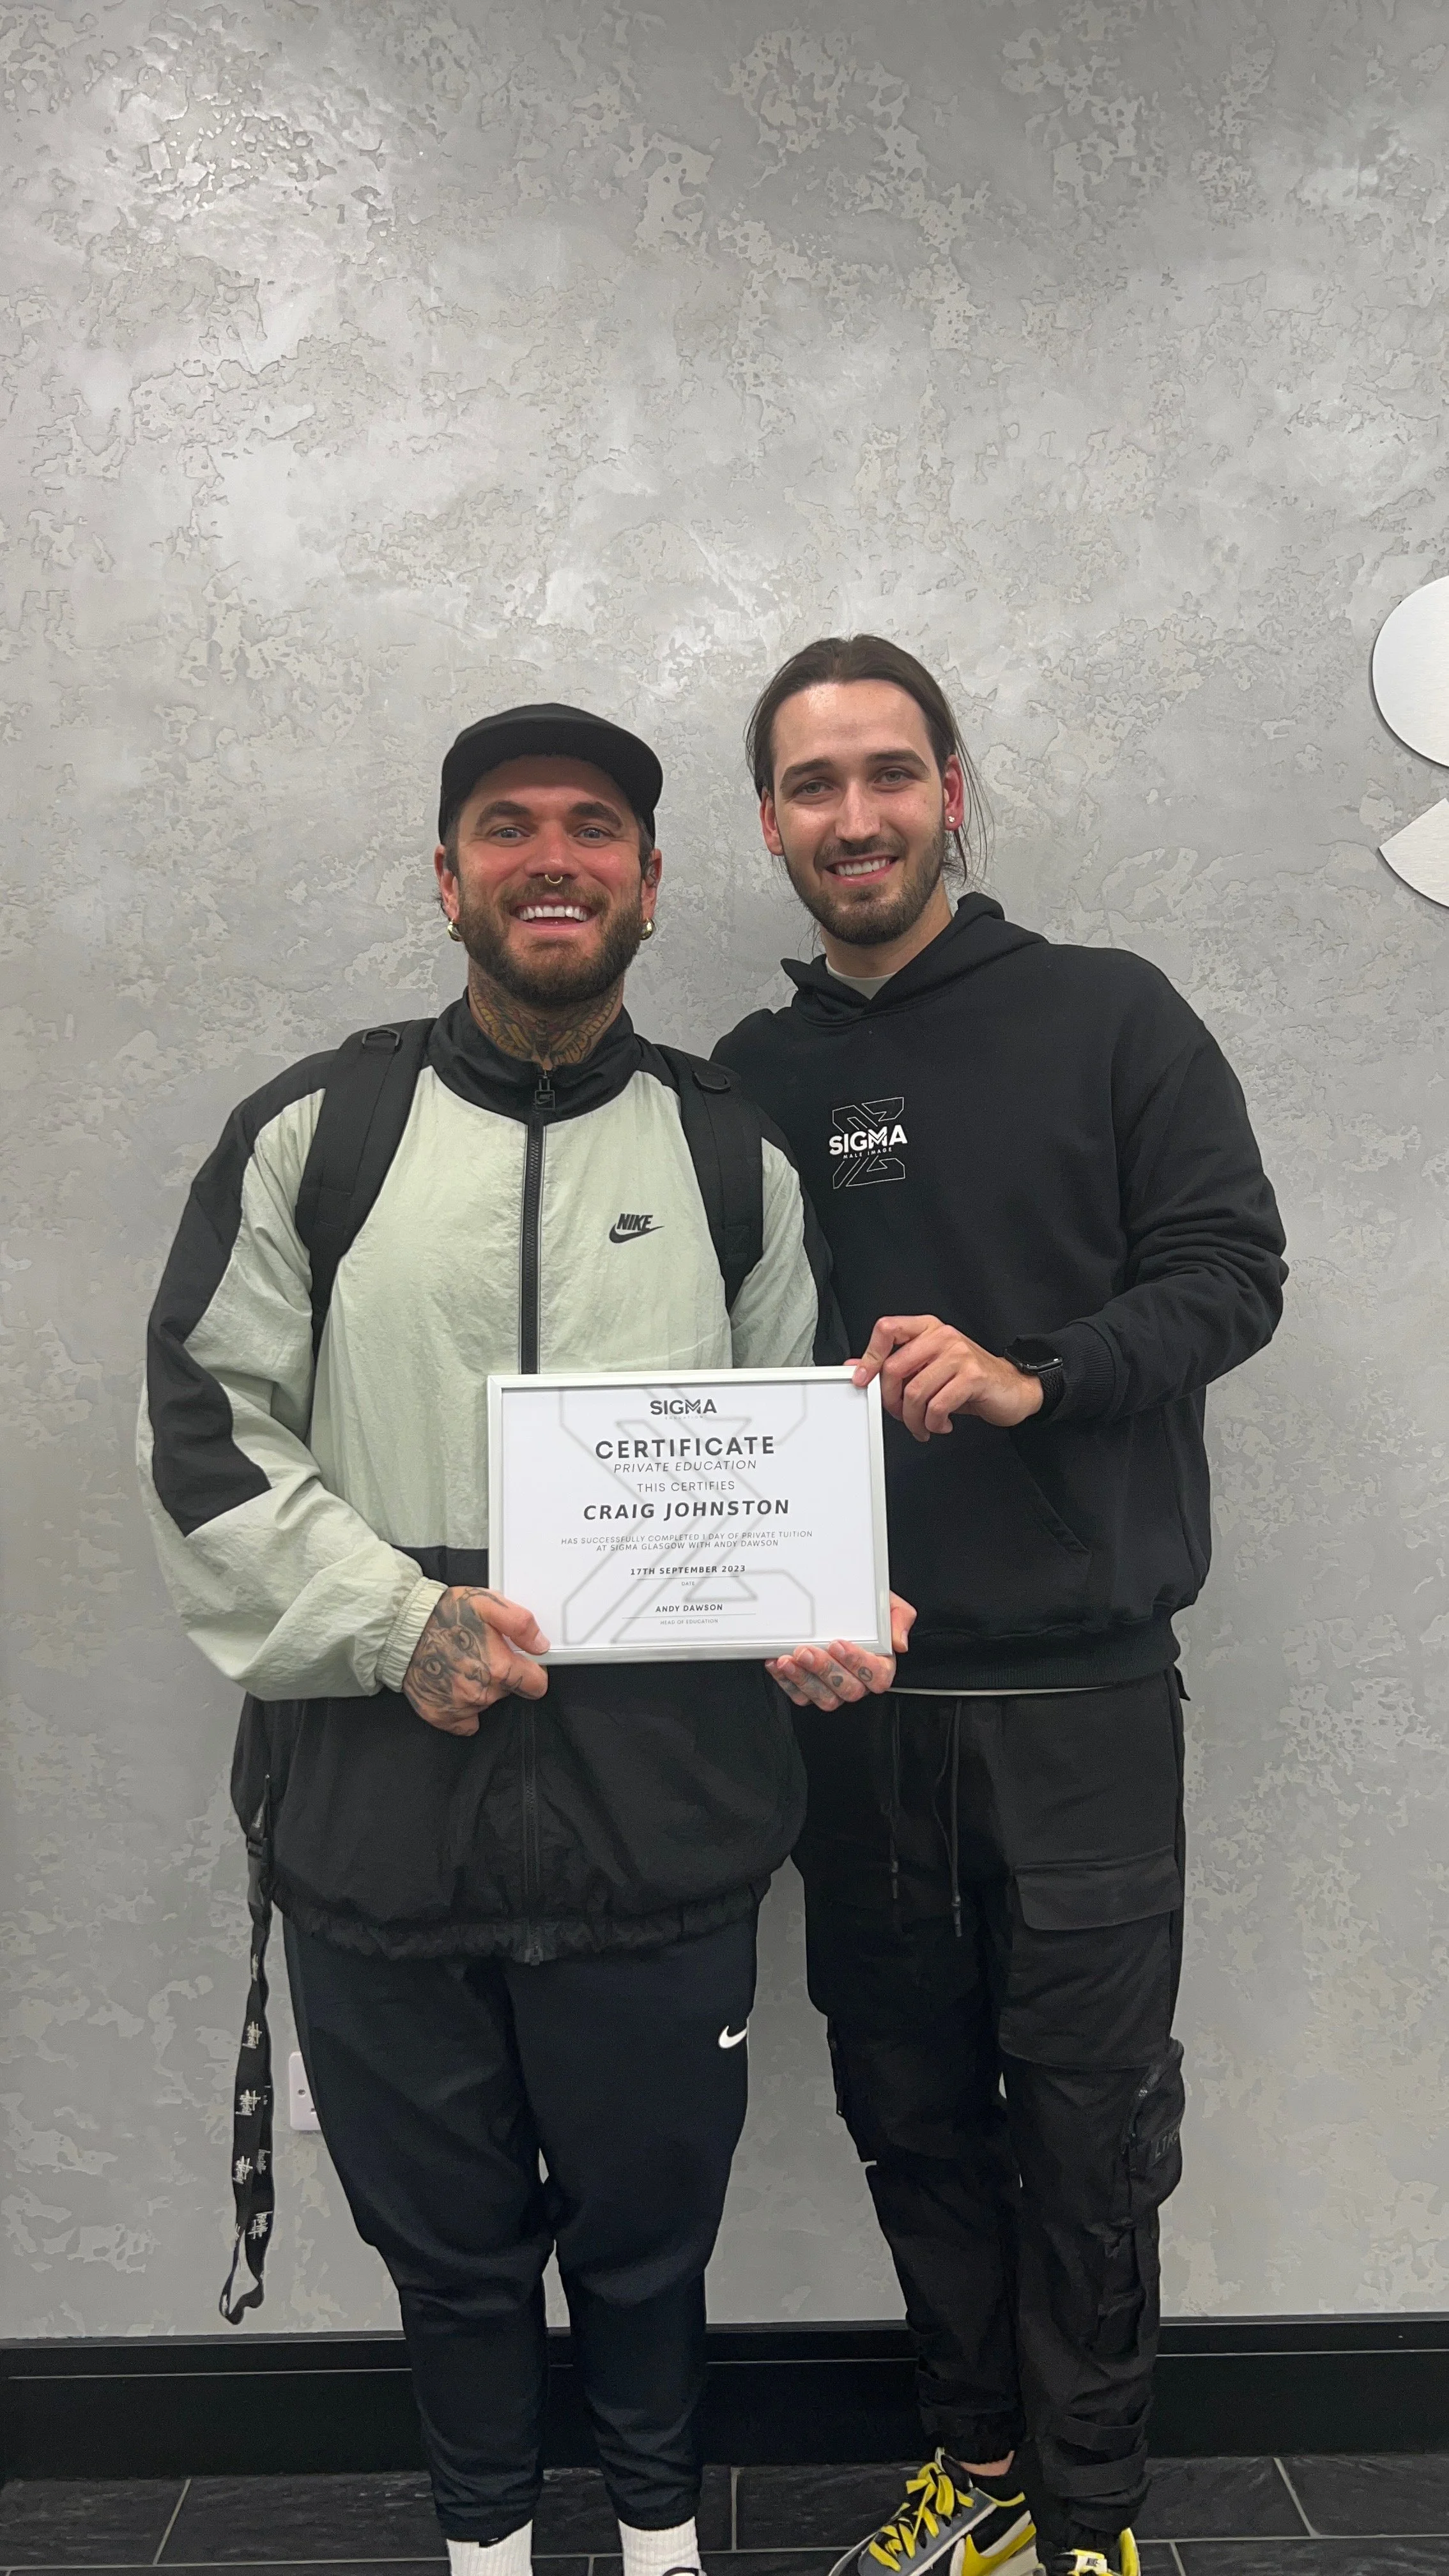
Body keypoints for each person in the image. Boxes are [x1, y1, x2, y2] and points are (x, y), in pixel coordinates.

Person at [139, 700, 909, 2576]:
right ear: (447, 875)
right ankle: (484, 2548)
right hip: (380, 1810)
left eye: (591, 828)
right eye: (504, 826)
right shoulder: (316, 1133)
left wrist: (818, 1605)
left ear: (651, 882)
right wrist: (398, 1622)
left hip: (664, 1816)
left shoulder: (733, 1154)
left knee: (652, 2228)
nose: (548, 857)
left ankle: (660, 2542)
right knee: (449, 2246)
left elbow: (797, 1431)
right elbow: (204, 1426)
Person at [713, 638, 1287, 2576]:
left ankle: (1096, 2518)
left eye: (889, 773)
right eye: (812, 785)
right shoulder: (745, 1085)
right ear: (770, 821)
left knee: (1093, 2131)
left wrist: (1042, 1373)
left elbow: (1229, 1270)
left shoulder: (1111, 1018)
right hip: (850, 1708)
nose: (853, 816)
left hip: (1083, 1704)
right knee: (910, 2118)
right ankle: (969, 2476)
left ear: (953, 789)